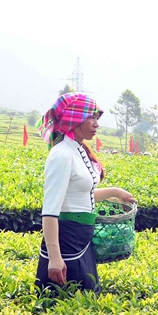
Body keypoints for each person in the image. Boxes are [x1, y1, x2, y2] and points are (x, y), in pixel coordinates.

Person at [37, 92, 134, 292]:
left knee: (87, 298)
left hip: (81, 237)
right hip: (66, 239)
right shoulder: (62, 154)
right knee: (65, 302)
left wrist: (116, 192)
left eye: (97, 118)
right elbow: (50, 210)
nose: (96, 123)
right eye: (91, 117)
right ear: (74, 118)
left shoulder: (77, 150)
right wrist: (55, 257)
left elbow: (82, 195)